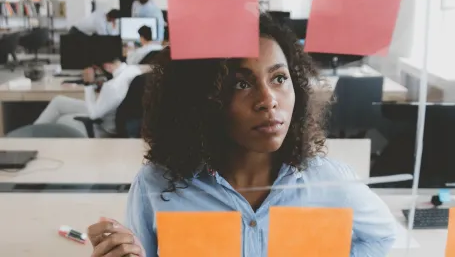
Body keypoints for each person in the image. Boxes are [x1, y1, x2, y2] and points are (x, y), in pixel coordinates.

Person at [88, 15, 396, 256]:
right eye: (241, 84)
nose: (268, 99)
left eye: (278, 78)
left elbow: (383, 234)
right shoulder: (158, 184)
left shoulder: (330, 183)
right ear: (203, 100)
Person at [34, 56, 141, 137]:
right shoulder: (134, 70)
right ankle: (32, 133)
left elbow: (93, 114)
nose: (97, 73)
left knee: (63, 119)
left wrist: (88, 85)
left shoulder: (112, 86)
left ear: (107, 66)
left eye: (97, 70)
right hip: (114, 115)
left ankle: (31, 135)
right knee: (58, 101)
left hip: (105, 127)